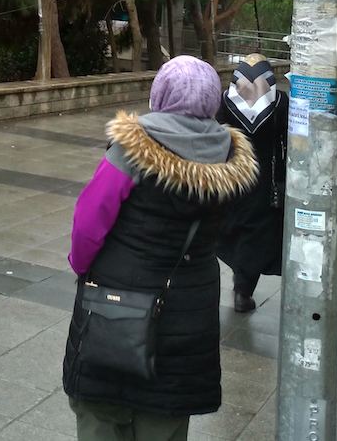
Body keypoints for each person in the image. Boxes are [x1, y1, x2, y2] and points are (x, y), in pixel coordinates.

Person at [64, 55, 258, 441]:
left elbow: (89, 222)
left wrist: (82, 266)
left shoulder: (131, 148)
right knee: (166, 415)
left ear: (160, 94)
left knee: (102, 410)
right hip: (189, 309)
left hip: (116, 304)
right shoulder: (231, 157)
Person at [215, 55, 287, 313]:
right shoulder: (280, 103)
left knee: (232, 229)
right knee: (255, 237)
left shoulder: (225, 102)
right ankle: (243, 291)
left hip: (232, 178)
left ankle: (238, 276)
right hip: (264, 183)